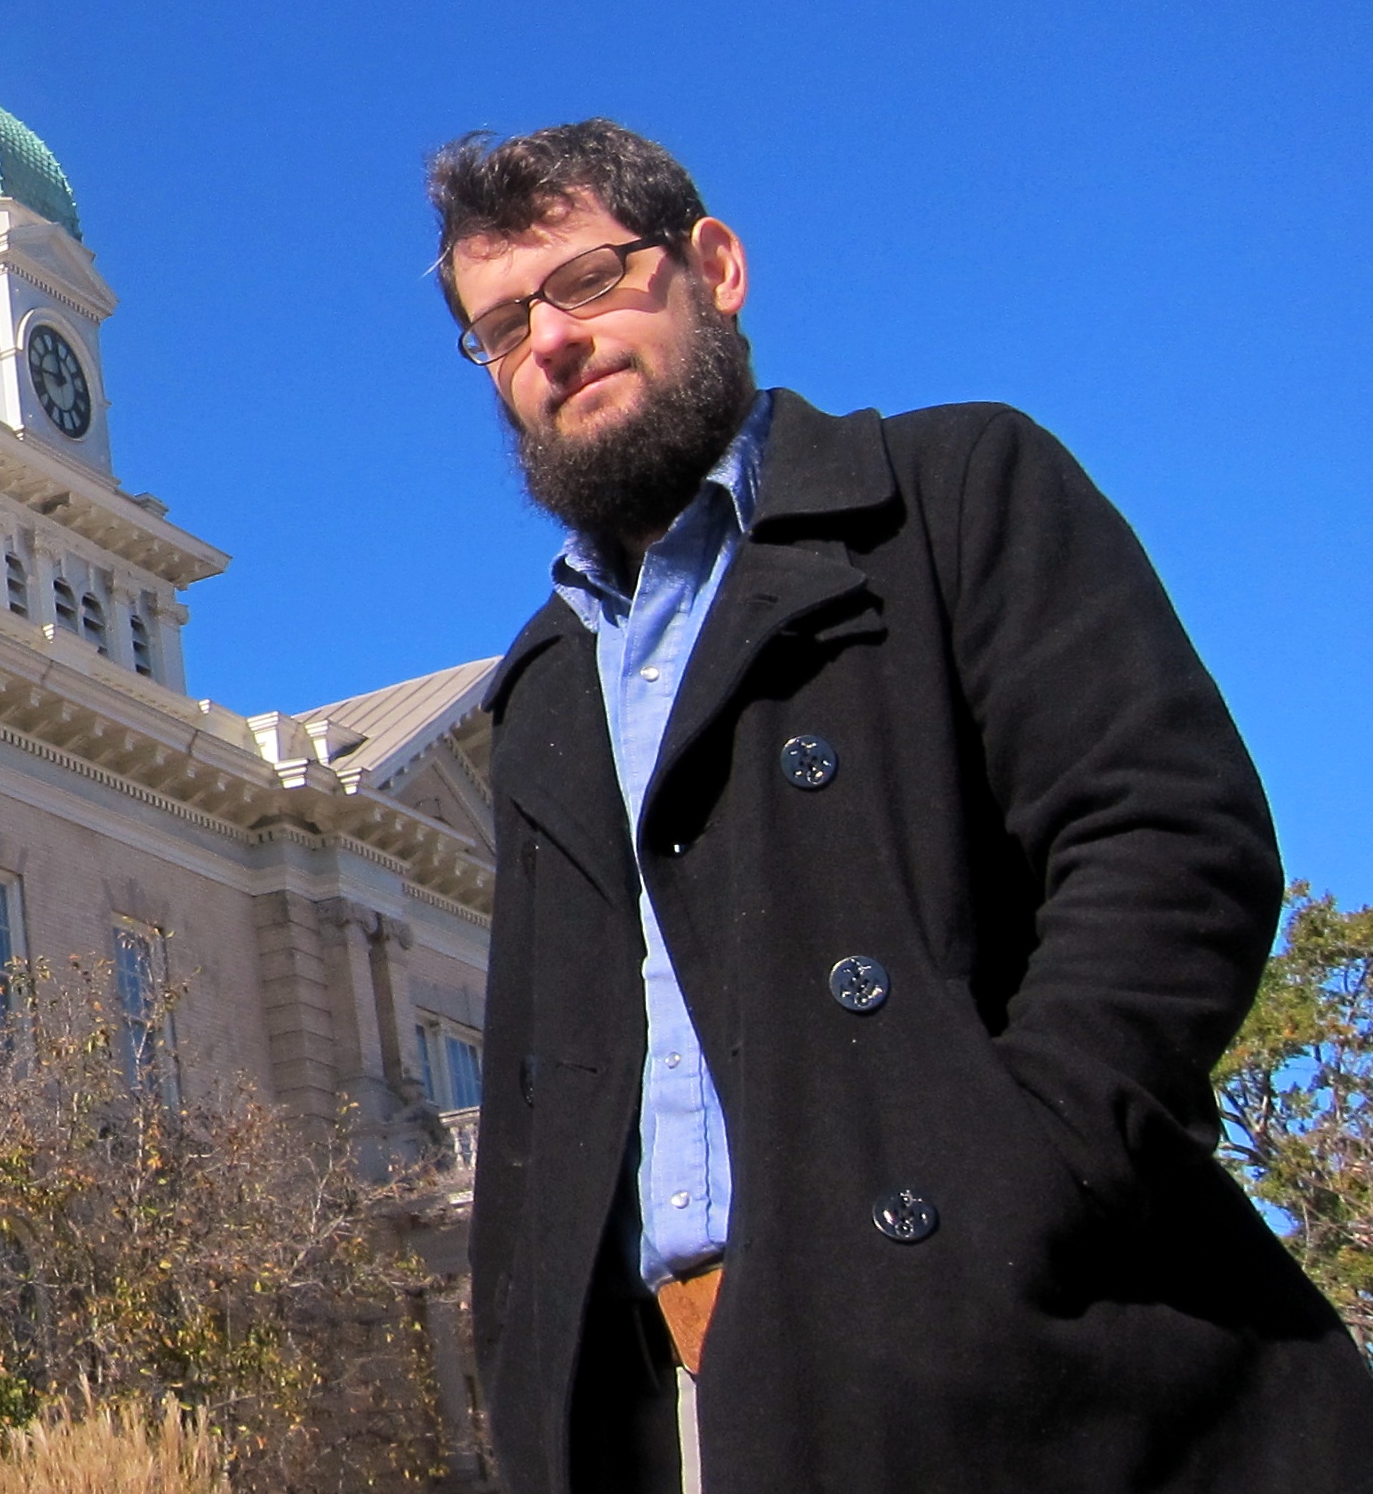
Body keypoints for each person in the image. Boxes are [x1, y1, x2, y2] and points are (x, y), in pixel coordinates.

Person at [430, 119, 1373, 1493]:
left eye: (587, 280)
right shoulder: (544, 690)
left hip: (1037, 1361)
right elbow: (540, 1090)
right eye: (504, 326)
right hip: (684, 1414)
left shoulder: (949, 495)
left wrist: (1019, 1191)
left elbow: (1167, 841)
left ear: (715, 267)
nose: (553, 342)